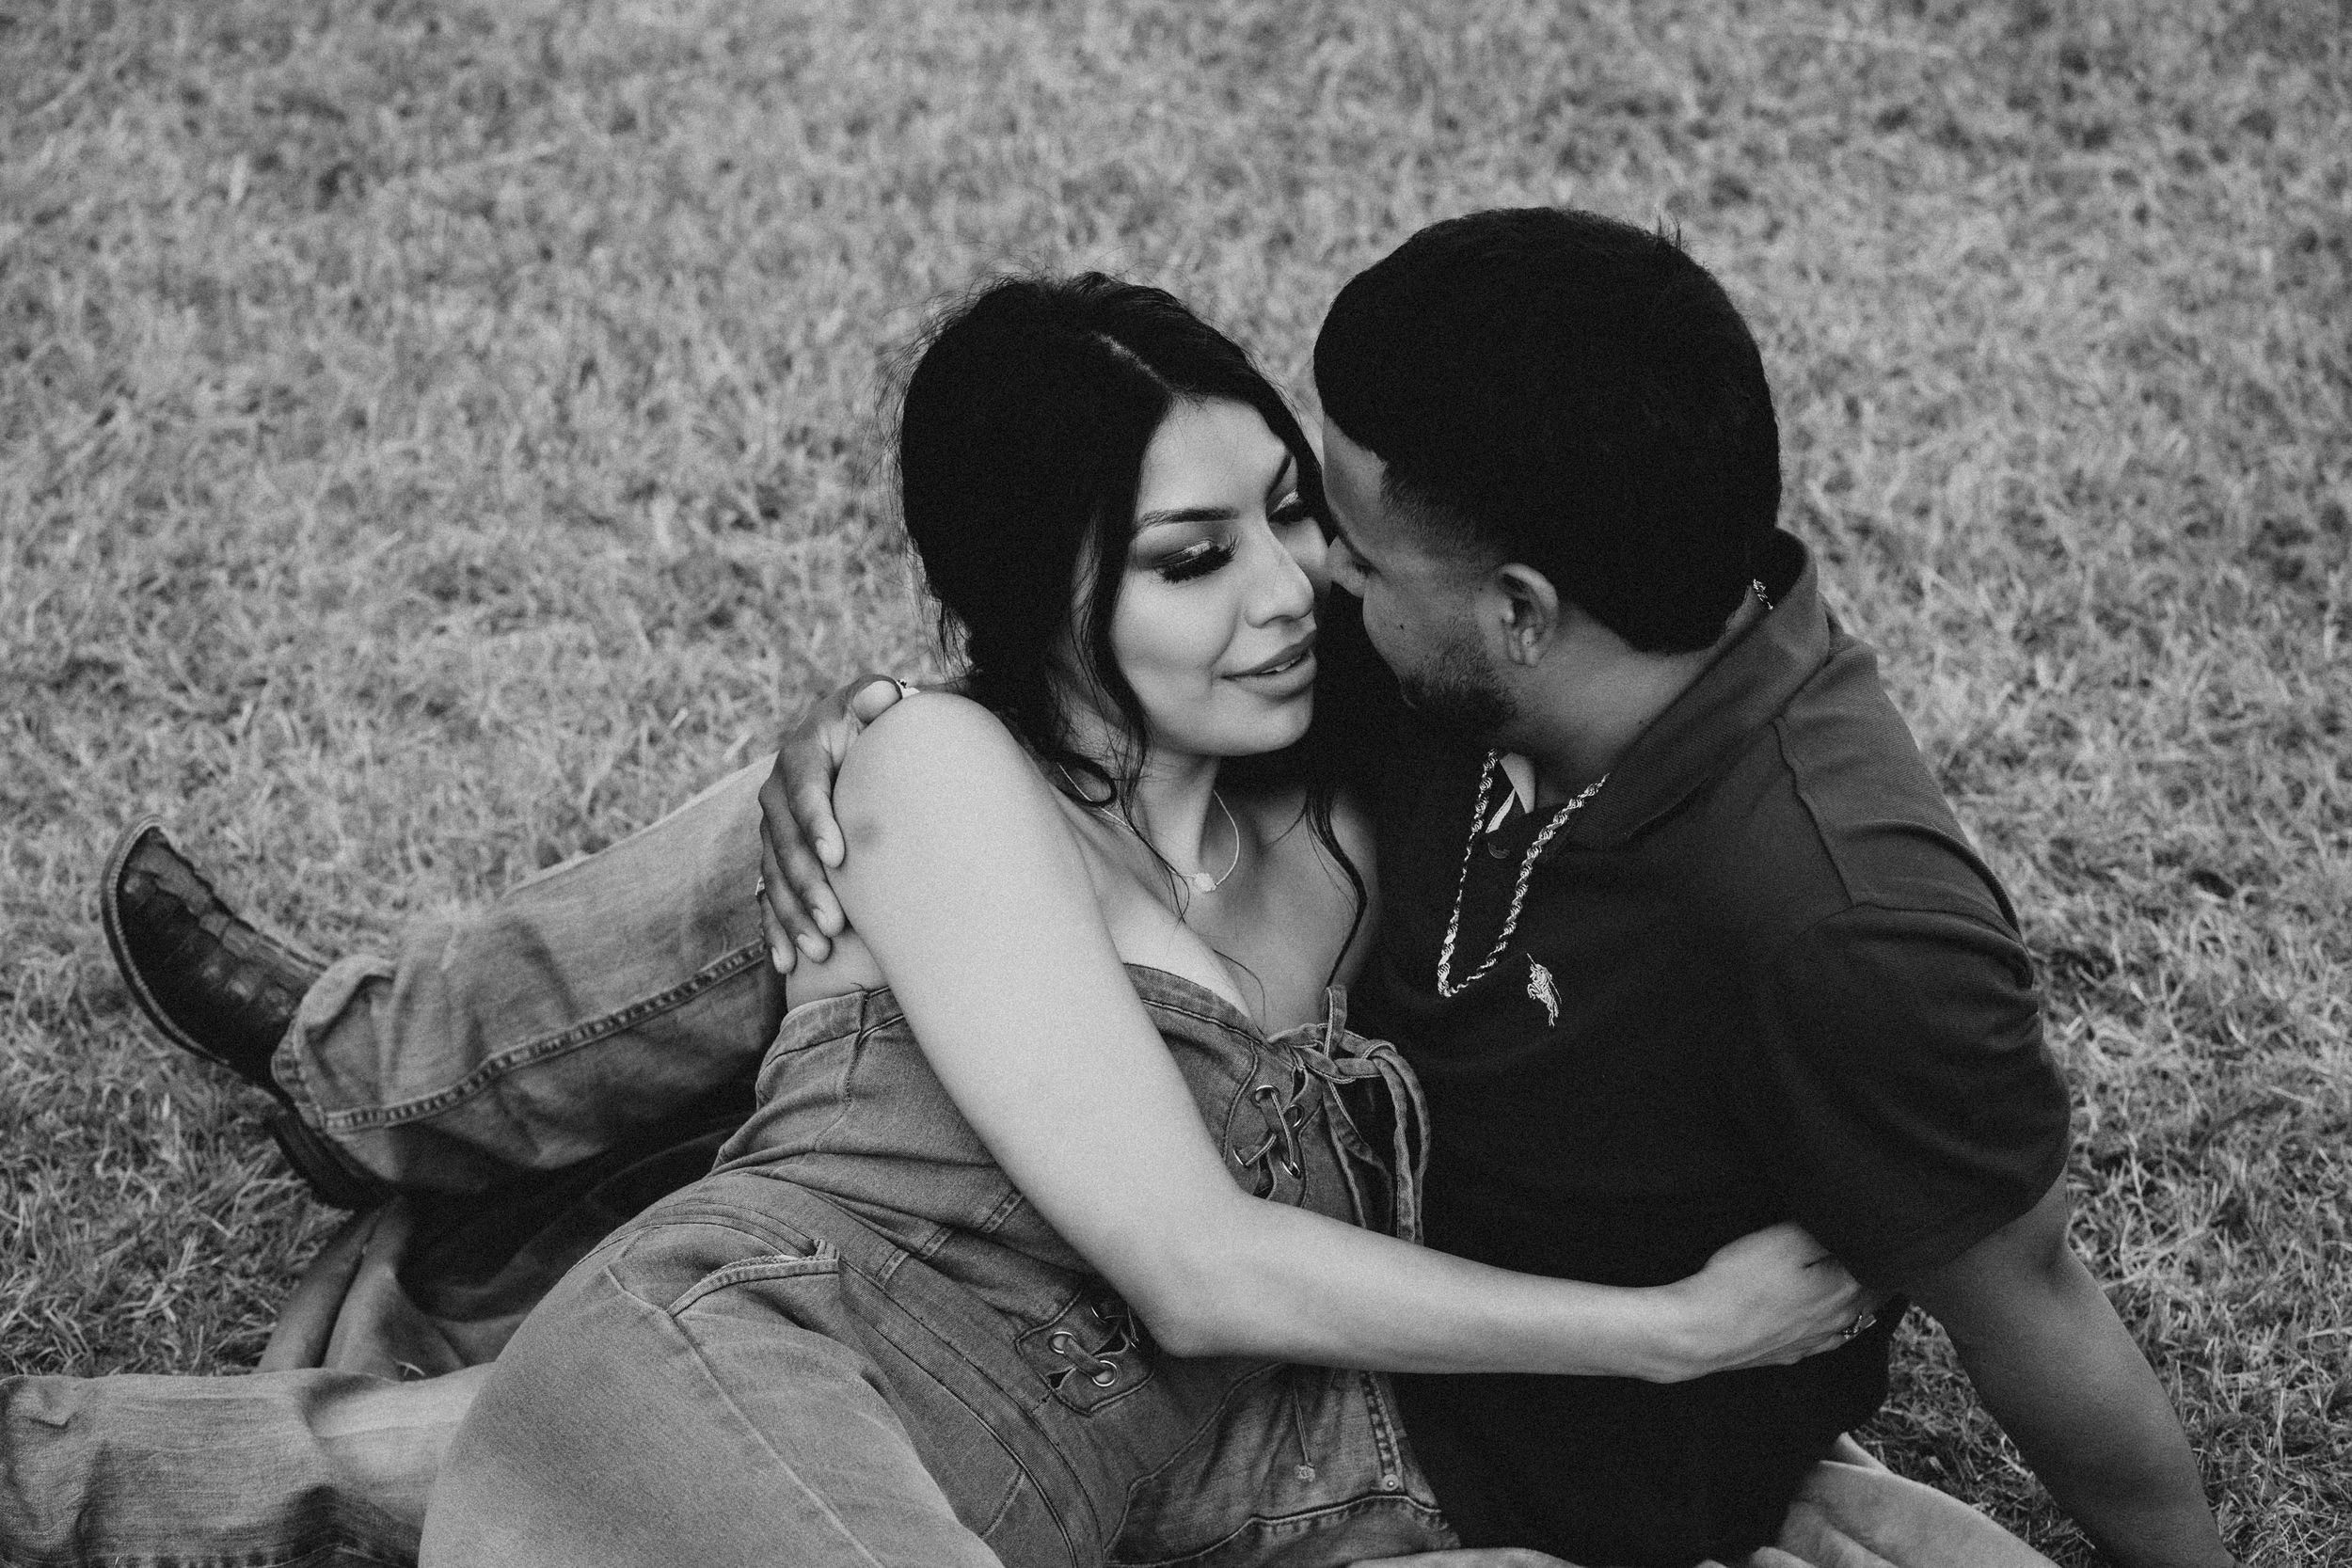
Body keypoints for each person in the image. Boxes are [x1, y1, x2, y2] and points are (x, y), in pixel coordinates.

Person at [60, 212, 2235, 1565]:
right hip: (929, 1296)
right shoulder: (1077, 744)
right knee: (830, 822)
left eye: (1315, 527)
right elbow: (1185, 1250)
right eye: (1225, 545)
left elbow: (2016, 1282)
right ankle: (369, 1072)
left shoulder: (1629, 833)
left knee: (495, 1449)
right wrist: (882, 727)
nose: (1300, 587)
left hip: (1193, 1418)